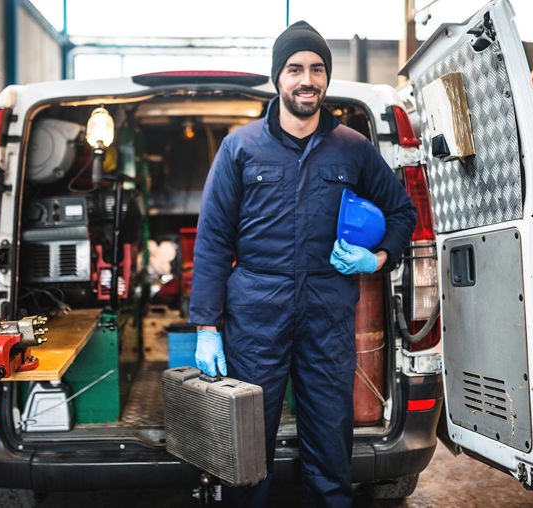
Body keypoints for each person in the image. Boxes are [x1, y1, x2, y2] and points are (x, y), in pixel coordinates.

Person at [189, 20, 416, 508]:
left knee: (331, 442)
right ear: (278, 78)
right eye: (294, 68)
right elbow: (211, 240)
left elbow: (403, 212)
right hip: (255, 313)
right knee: (246, 443)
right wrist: (207, 325)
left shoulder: (352, 147)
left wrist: (377, 257)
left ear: (326, 80)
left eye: (316, 69)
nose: (306, 79)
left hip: (326, 311)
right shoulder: (241, 147)